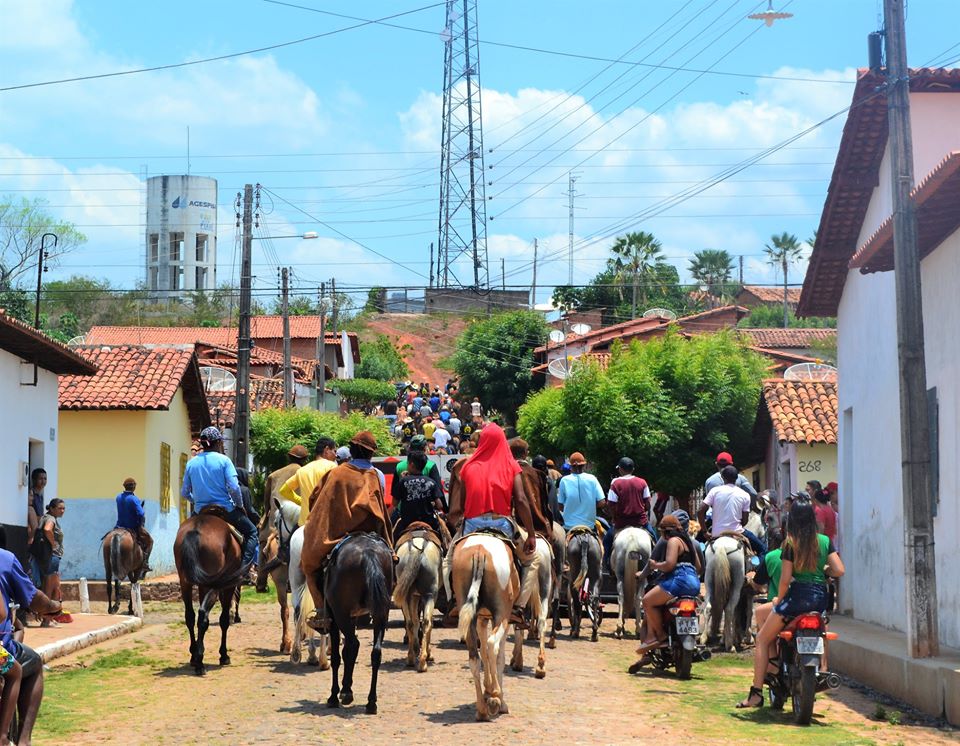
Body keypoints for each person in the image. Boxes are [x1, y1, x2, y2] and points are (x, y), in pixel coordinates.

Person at [737, 497, 844, 709]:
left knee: (762, 639)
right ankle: (822, 667)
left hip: (796, 600)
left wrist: (779, 600)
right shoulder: (823, 540)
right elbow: (839, 570)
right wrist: (825, 571)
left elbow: (785, 580)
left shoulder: (790, 543)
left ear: (792, 519)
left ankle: (756, 693)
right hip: (820, 598)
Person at [300, 431, 394, 631]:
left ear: (352, 450)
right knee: (392, 558)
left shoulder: (337, 472)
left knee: (309, 564)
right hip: (372, 534)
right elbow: (381, 504)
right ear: (370, 454)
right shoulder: (377, 475)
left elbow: (317, 498)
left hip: (339, 533)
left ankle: (321, 610)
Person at [0, 526, 62, 746]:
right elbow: (11, 608)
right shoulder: (5, 558)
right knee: (29, 665)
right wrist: (52, 606)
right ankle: (17, 739)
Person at [181, 426, 258, 573]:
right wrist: (239, 505)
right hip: (225, 510)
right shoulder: (224, 461)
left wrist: (195, 501)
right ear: (218, 443)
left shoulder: (191, 463)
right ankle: (243, 570)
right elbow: (234, 488)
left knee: (184, 534)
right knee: (252, 532)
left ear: (203, 444)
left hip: (200, 511)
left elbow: (184, 492)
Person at [636, 514, 702, 653]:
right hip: (693, 583)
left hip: (678, 581)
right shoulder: (688, 542)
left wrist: (655, 565)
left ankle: (660, 634)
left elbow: (669, 565)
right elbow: (699, 567)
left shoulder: (673, 541)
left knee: (648, 601)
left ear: (665, 531)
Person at [698, 465, 767, 559]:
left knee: (698, 547)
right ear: (737, 478)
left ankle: (701, 572)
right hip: (738, 532)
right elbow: (745, 521)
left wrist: (705, 531)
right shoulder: (745, 495)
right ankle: (757, 572)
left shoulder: (714, 491)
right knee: (763, 549)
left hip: (716, 533)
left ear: (722, 477)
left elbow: (700, 511)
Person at [604, 457, 655, 568]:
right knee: (654, 539)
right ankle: (655, 566)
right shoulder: (642, 482)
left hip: (621, 523)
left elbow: (611, 505)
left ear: (621, 469)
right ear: (633, 469)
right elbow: (648, 504)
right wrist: (642, 510)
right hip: (640, 522)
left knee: (607, 542)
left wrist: (614, 517)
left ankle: (607, 563)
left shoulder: (615, 484)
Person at [279, 437, 338, 526]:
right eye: (334, 451)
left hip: (303, 524)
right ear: (326, 450)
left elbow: (284, 490)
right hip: (323, 524)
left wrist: (302, 501)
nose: (336, 455)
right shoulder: (332, 466)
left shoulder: (302, 470)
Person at [394, 451, 445, 538]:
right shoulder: (431, 482)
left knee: (393, 539)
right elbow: (440, 505)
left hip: (406, 523)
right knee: (444, 539)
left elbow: (394, 503)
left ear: (412, 465)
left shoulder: (403, 481)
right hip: (429, 523)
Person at [556, 452, 605, 532]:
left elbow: (560, 506)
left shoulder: (564, 480)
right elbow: (602, 502)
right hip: (589, 527)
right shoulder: (592, 478)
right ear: (584, 465)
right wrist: (589, 506)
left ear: (570, 466)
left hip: (569, 527)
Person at [115, 477, 153, 578]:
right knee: (150, 541)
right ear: (134, 487)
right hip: (132, 527)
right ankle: (145, 563)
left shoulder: (118, 497)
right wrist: (140, 524)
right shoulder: (134, 498)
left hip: (119, 527)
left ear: (124, 486)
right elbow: (141, 513)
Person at [38, 498, 66, 624]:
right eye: (60, 508)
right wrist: (53, 543)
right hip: (52, 557)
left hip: (46, 557)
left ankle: (47, 618)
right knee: (51, 589)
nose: (63, 511)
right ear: (52, 508)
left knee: (49, 587)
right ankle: (46, 619)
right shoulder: (51, 519)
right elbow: (47, 530)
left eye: (63, 508)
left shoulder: (45, 517)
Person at [26, 469, 46, 588]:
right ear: (34, 480)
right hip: (33, 536)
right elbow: (36, 520)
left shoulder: (40, 496)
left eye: (45, 478)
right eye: (40, 478)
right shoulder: (32, 499)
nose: (43, 481)